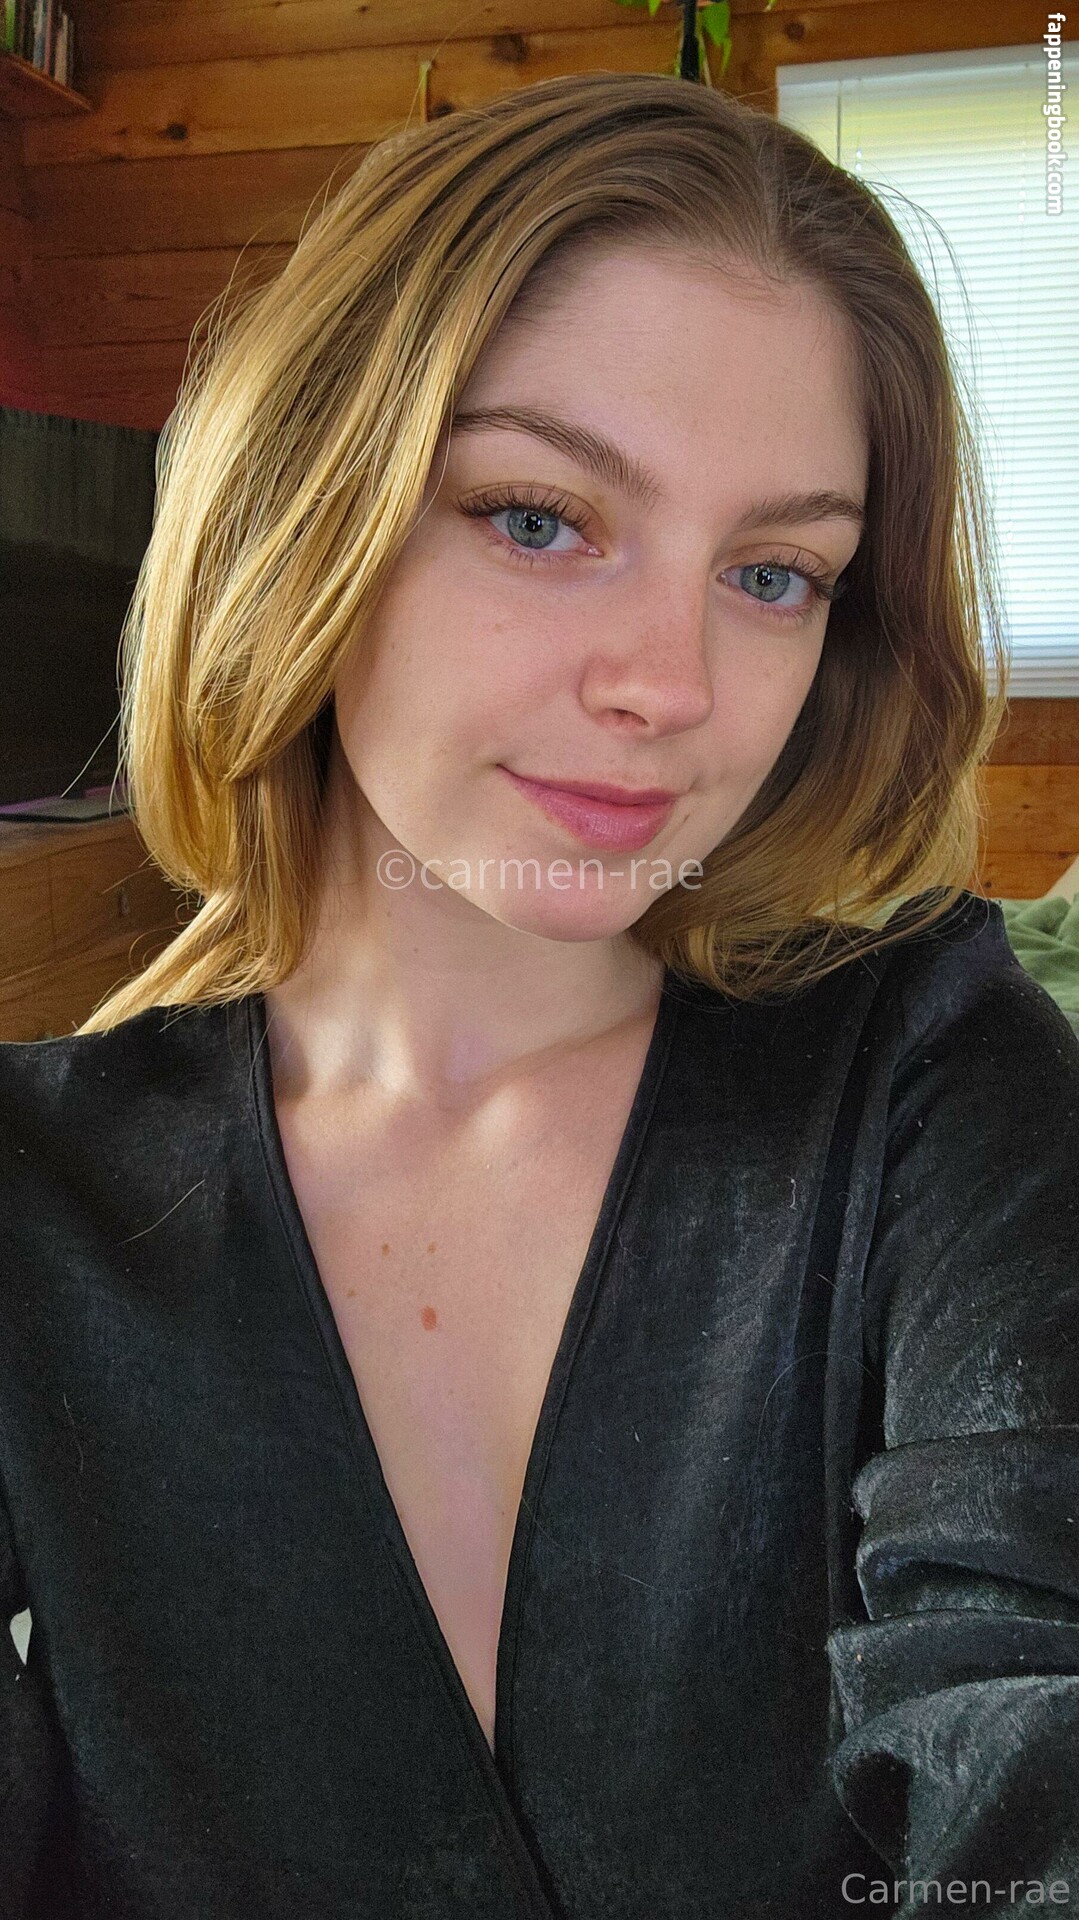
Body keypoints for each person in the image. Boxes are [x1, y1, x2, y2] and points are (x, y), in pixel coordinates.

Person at [2, 68, 1078, 1920]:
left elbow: (1026, 1699)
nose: (672, 684)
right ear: (307, 509)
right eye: (537, 518)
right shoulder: (38, 1192)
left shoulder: (928, 1069)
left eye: (773, 572)